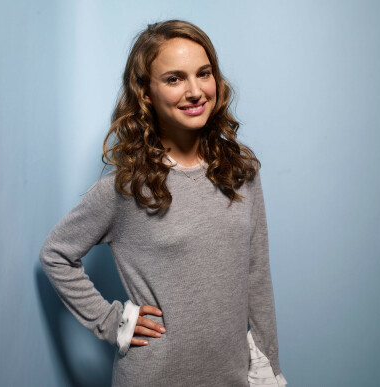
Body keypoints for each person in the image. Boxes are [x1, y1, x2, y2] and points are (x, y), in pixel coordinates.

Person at [40, 19, 287, 387]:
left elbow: (256, 276)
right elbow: (56, 254)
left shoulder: (241, 171)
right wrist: (114, 322)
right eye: (174, 79)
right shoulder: (126, 186)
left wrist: (269, 367)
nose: (195, 91)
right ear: (145, 92)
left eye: (204, 74)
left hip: (233, 378)